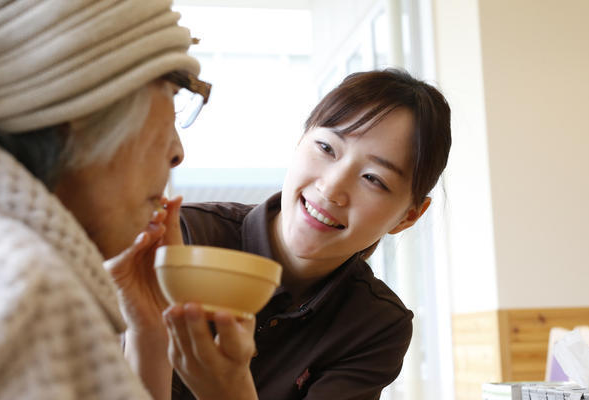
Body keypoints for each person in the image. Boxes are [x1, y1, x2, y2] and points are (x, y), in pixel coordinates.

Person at [0, 1, 248, 399]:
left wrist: (150, 332)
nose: (178, 152)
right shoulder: (32, 289)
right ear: (83, 105)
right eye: (171, 93)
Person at [165, 69, 452, 400]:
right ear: (300, 141)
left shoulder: (375, 325)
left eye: (373, 178)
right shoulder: (184, 237)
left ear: (408, 216)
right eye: (327, 148)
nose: (331, 188)